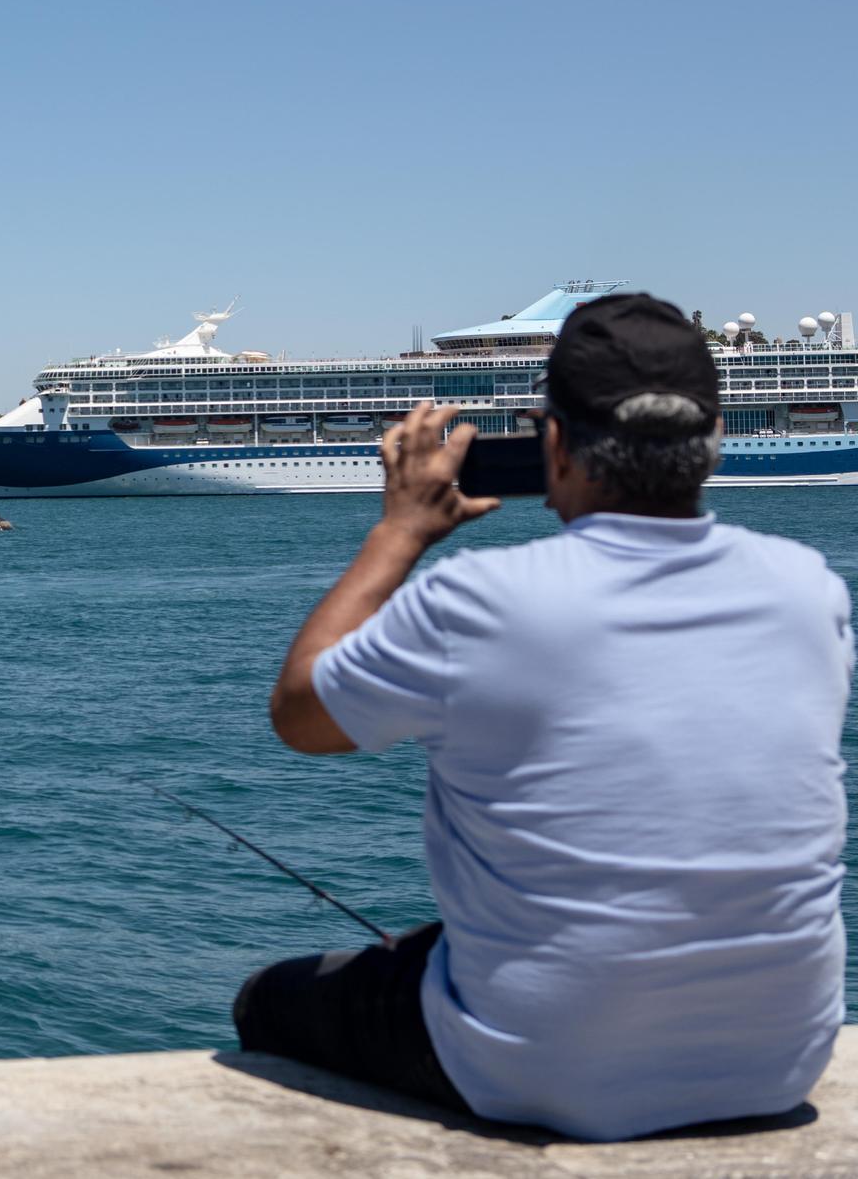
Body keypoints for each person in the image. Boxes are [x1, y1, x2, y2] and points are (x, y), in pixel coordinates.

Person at [244, 294, 852, 1141]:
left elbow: (300, 716)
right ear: (714, 437)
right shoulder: (810, 590)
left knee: (273, 999)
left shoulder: (483, 600)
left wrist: (401, 533)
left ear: (552, 442)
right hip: (780, 1060)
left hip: (536, 1067)